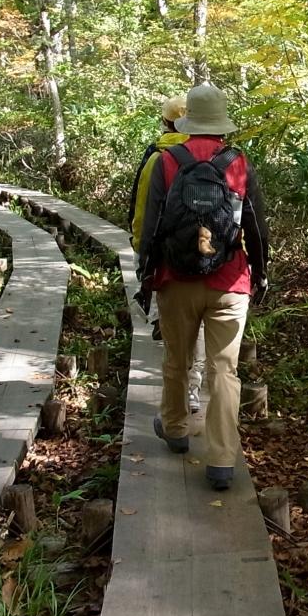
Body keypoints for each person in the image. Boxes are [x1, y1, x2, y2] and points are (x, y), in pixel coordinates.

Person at [137, 82, 268, 491]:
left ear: (187, 122)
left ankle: (176, 430)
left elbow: (152, 225)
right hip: (230, 280)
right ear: (222, 123)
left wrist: (146, 275)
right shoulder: (238, 162)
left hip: (176, 280)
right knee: (224, 370)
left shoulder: (167, 160)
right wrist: (260, 272)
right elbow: (256, 225)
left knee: (177, 360)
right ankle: (222, 460)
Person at [129, 94, 205, 413]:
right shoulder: (213, 155)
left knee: (175, 323)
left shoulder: (158, 158)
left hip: (168, 256)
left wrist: (140, 250)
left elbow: (143, 209)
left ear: (165, 122)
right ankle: (194, 388)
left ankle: (176, 400)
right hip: (210, 254)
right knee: (199, 326)